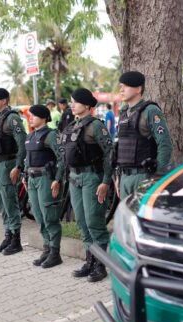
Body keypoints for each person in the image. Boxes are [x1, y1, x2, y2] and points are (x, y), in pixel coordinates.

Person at [60, 88, 113, 282]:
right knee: (82, 222)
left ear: (87, 105)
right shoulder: (72, 126)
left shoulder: (96, 126)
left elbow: (109, 154)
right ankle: (90, 259)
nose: (72, 105)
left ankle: (101, 264)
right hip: (75, 178)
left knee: (94, 221)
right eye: (72, 101)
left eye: (75, 102)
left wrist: (106, 182)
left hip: (93, 178)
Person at [116, 71, 173, 199]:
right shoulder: (124, 113)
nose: (121, 89)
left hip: (144, 177)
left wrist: (159, 177)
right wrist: (119, 176)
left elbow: (165, 145)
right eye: (121, 86)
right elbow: (121, 147)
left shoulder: (150, 111)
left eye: (126, 86)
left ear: (138, 89)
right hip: (125, 177)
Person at [0, 88, 27, 255]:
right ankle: (8, 235)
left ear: (4, 101)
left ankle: (16, 240)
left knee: (10, 201)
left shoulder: (12, 118)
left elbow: (22, 144)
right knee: (1, 203)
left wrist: (18, 166)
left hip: (7, 165)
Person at [24, 104, 64, 268]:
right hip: (32, 179)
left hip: (46, 179)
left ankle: (55, 253)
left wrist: (58, 179)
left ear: (43, 117)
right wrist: (25, 176)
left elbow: (62, 158)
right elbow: (28, 157)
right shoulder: (31, 135)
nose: (31, 118)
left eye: (33, 115)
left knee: (49, 216)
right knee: (39, 216)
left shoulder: (51, 135)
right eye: (30, 116)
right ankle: (47, 248)